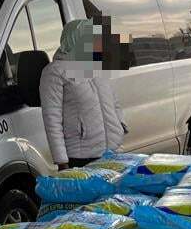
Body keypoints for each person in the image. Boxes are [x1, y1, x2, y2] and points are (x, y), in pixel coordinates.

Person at [39, 18, 127, 169]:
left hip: (112, 152)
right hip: (82, 157)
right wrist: (61, 160)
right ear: (74, 39)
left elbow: (113, 102)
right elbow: (52, 118)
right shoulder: (55, 72)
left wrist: (120, 126)